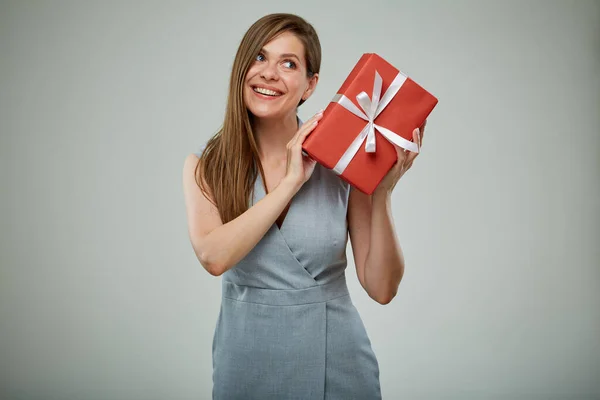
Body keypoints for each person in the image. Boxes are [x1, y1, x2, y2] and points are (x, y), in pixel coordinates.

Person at [182, 12, 425, 400]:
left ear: (310, 85)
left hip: (338, 364)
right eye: (259, 58)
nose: (269, 73)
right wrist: (293, 182)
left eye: (288, 64)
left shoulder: (343, 161)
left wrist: (381, 190)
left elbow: (382, 288)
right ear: (241, 67)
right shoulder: (206, 165)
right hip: (245, 362)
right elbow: (213, 257)